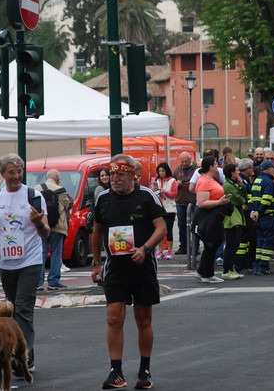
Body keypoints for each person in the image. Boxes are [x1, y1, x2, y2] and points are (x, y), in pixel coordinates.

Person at [90, 154, 166, 390]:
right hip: (116, 268)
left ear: (133, 174)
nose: (115, 179)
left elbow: (161, 227)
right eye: (112, 174)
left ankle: (144, 370)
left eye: (120, 174)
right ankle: (116, 372)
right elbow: (97, 231)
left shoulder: (146, 196)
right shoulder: (103, 199)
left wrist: (145, 248)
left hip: (142, 266)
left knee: (143, 319)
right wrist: (96, 263)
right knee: (114, 317)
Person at [0, 153, 50, 373]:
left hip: (30, 261)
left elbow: (46, 232)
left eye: (19, 171)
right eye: (11, 172)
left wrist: (39, 223)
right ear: (2, 173)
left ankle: (23, 358)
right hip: (7, 264)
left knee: (23, 309)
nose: (16, 176)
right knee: (10, 312)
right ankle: (23, 352)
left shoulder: (34, 196)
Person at [193, 156, 230, 283]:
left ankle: (202, 271)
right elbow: (201, 203)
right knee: (211, 245)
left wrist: (222, 201)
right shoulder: (203, 181)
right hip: (208, 217)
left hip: (216, 215)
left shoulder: (211, 179)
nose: (217, 166)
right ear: (210, 167)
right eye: (215, 164)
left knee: (212, 245)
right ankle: (207, 274)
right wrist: (219, 202)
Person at [35, 169, 73, 291]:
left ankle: (38, 282)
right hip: (58, 226)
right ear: (57, 178)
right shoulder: (61, 190)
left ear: (47, 177)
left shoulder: (36, 189)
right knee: (56, 253)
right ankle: (53, 281)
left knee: (41, 253)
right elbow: (68, 206)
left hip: (41, 226)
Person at [250, 160, 274, 275]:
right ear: (268, 169)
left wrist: (254, 211)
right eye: (273, 168)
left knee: (260, 242)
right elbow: (266, 200)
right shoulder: (268, 182)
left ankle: (257, 266)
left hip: (258, 217)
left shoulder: (256, 181)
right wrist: (259, 212)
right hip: (268, 216)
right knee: (268, 243)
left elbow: (252, 198)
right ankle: (263, 267)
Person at [222, 163, 247, 280]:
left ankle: (231, 268)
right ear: (232, 173)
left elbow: (244, 197)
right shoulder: (228, 185)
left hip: (236, 218)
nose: (239, 172)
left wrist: (241, 186)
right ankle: (227, 269)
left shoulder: (234, 184)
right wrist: (241, 193)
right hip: (231, 219)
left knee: (235, 244)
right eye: (237, 171)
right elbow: (239, 200)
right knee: (231, 245)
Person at [172, 152, 197, 255]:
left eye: (186, 161)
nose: (184, 163)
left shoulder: (196, 169)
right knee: (182, 225)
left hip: (193, 200)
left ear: (190, 159)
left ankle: (195, 247)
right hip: (181, 201)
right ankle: (183, 246)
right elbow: (172, 182)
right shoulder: (177, 170)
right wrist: (176, 183)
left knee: (195, 224)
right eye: (182, 161)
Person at [152, 162, 178, 260]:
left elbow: (174, 195)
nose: (161, 173)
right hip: (159, 207)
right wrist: (154, 190)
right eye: (159, 171)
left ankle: (170, 251)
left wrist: (165, 191)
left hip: (170, 208)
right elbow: (153, 194)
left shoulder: (172, 181)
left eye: (163, 171)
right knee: (159, 230)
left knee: (168, 230)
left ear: (167, 171)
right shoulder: (157, 181)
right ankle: (160, 250)